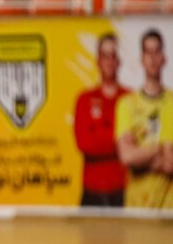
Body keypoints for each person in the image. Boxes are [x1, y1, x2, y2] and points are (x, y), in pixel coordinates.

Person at [115, 29, 173, 209]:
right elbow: (127, 157)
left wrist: (141, 154)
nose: (153, 58)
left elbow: (170, 164)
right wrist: (160, 148)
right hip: (137, 207)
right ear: (141, 59)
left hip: (169, 209)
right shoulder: (126, 104)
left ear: (164, 58)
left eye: (157, 51)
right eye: (148, 52)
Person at [74, 32, 129, 206]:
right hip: (92, 191)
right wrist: (119, 141)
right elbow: (84, 143)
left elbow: (138, 143)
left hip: (122, 190)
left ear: (119, 61)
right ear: (98, 60)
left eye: (113, 55)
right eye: (105, 56)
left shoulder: (130, 99)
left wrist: (99, 134)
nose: (109, 61)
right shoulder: (84, 100)